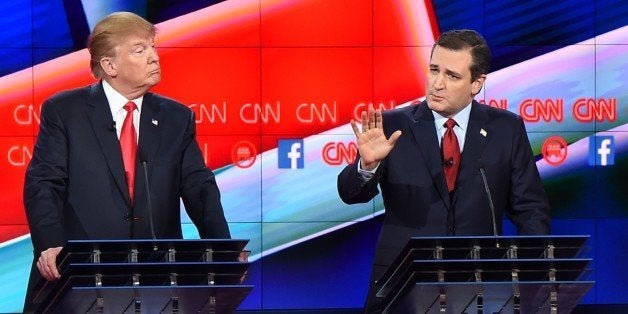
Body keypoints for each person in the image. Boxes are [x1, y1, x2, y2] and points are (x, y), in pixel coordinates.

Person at [22, 12, 231, 312]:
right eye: (139, 50)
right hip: (77, 277)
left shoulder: (176, 117)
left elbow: (200, 188)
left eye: (153, 47)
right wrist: (50, 245)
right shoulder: (65, 111)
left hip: (155, 281)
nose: (154, 57)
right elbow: (43, 184)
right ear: (109, 65)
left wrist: (221, 249)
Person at [337, 29, 551, 312]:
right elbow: (352, 194)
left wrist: (532, 277)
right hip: (402, 283)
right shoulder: (392, 126)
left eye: (452, 75)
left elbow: (530, 209)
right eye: (434, 70)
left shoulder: (505, 129)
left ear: (477, 83)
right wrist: (367, 165)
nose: (437, 84)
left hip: (481, 287)